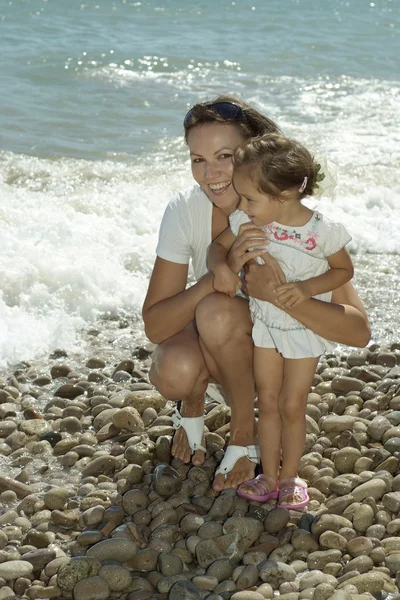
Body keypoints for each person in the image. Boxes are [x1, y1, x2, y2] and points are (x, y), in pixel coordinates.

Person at [142, 96, 370, 493]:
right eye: (198, 159)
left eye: (224, 156)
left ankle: (249, 441)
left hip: (275, 366)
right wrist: (219, 274)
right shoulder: (185, 211)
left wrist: (278, 293)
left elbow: (357, 332)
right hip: (217, 350)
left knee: (220, 315)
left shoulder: (298, 225)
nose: (210, 174)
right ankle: (207, 412)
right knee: (184, 355)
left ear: (253, 156)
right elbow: (156, 325)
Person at [208, 133, 356, 508]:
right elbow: (218, 247)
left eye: (251, 198)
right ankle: (268, 477)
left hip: (303, 330)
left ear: (284, 196)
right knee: (268, 400)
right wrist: (224, 267)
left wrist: (307, 288)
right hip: (266, 327)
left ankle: (291, 477)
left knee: (293, 403)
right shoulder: (248, 220)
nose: (242, 205)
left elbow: (343, 270)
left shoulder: (321, 232)